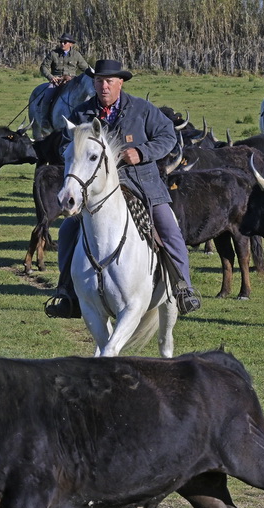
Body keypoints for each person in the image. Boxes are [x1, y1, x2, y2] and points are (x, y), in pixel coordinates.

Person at [45, 59, 202, 319]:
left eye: (109, 81)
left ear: (121, 83)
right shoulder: (81, 114)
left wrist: (142, 152)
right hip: (96, 191)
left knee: (168, 228)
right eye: (98, 81)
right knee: (67, 230)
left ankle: (182, 288)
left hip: (142, 185)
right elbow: (66, 144)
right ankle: (67, 293)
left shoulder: (142, 109)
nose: (103, 86)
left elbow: (168, 136)